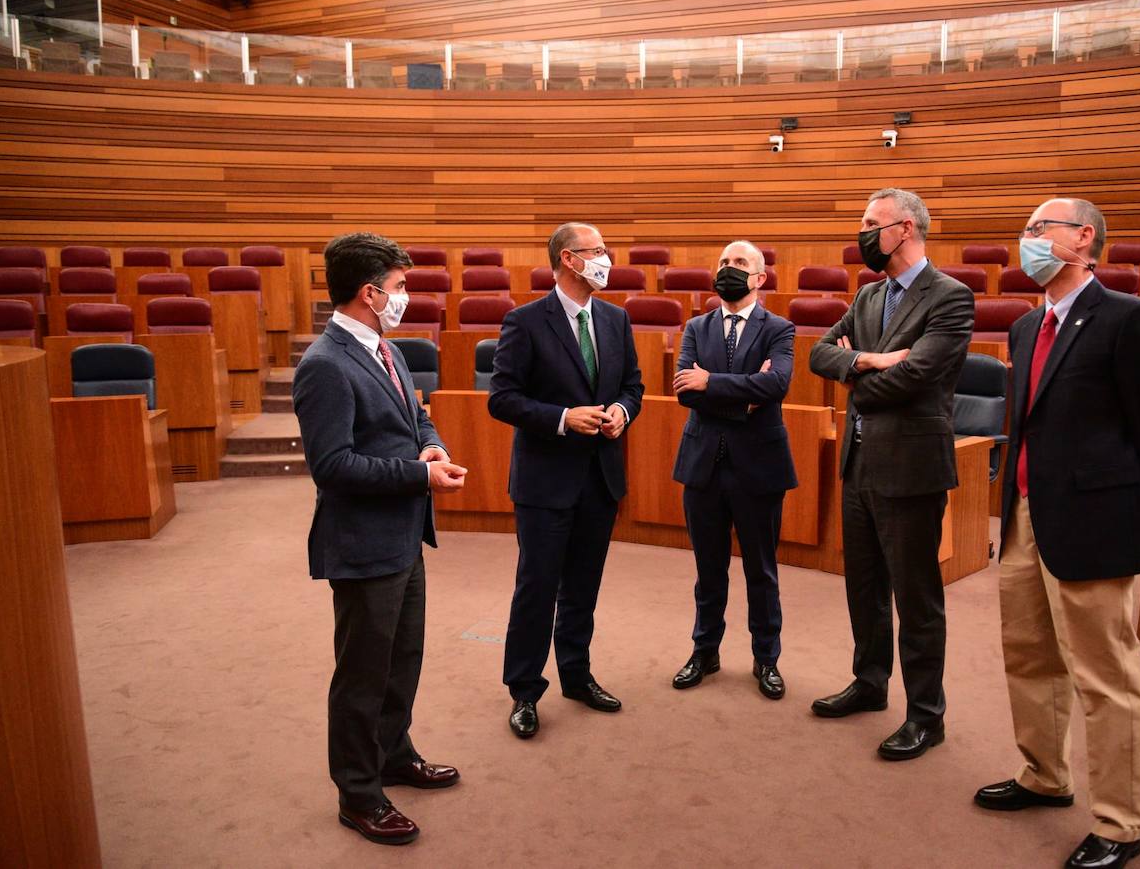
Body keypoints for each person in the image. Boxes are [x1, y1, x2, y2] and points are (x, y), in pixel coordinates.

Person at [973, 198, 1140, 869]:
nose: (1027, 240)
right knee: (1029, 654)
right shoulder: (1026, 327)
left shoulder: (1127, 318)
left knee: (1106, 676)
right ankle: (1045, 775)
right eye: (1026, 231)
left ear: (1084, 238)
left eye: (1039, 228)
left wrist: (1138, 506)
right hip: (1026, 515)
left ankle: (1121, 824)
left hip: (1097, 519)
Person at [293, 231, 468, 847]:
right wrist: (420, 475)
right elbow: (333, 466)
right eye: (398, 287)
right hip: (362, 543)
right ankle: (359, 794)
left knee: (401, 661)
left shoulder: (384, 349)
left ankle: (395, 754)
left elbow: (412, 414)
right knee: (363, 674)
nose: (405, 296)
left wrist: (432, 442)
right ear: (370, 293)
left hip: (403, 536)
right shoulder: (325, 365)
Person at [808, 187, 974, 761]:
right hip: (859, 466)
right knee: (866, 588)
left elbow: (918, 377)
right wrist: (872, 360)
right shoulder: (869, 293)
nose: (862, 234)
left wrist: (855, 377)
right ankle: (871, 682)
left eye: (870, 224)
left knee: (917, 597)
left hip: (911, 469)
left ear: (904, 229)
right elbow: (819, 355)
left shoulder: (951, 297)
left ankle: (927, 715)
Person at [488, 221, 645, 739]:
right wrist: (562, 417)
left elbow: (633, 385)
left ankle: (577, 675)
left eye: (607, 248)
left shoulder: (617, 319)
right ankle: (525, 691)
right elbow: (503, 398)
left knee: (583, 587)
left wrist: (623, 410)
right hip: (544, 481)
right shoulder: (525, 321)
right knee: (537, 587)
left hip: (600, 477)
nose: (607, 258)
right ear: (568, 260)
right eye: (598, 250)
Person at [670, 240, 797, 699]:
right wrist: (746, 396)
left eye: (740, 263)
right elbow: (686, 390)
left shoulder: (779, 328)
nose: (728, 269)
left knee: (761, 570)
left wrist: (713, 384)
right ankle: (705, 651)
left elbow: (778, 382)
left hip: (759, 466)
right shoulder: (696, 327)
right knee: (709, 568)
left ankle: (767, 659)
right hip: (703, 462)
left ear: (760, 278)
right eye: (724, 262)